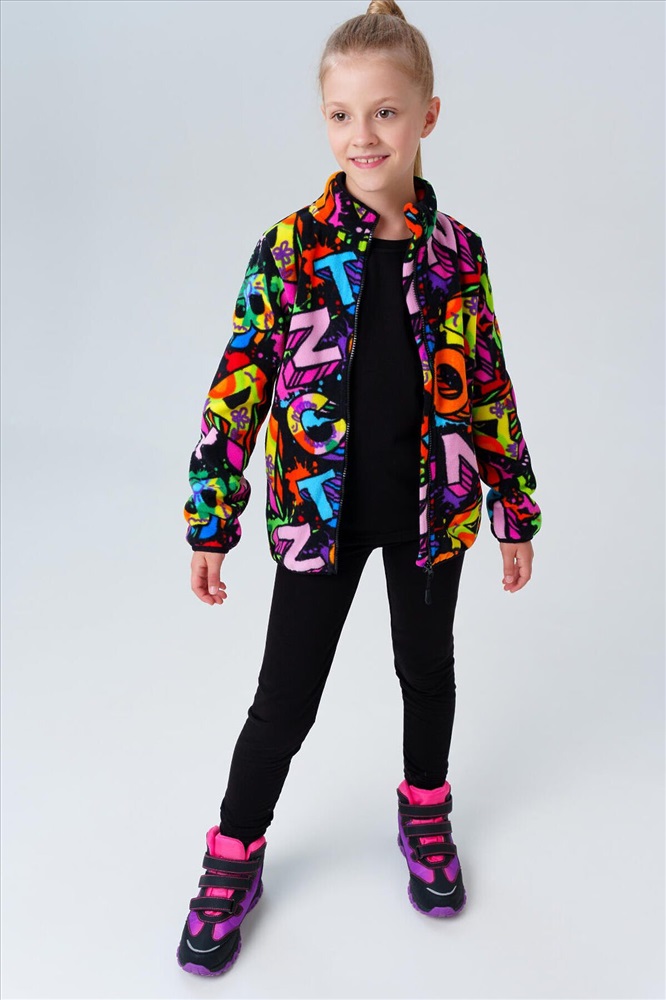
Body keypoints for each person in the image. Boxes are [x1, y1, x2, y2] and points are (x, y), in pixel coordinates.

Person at [176, 0, 542, 978]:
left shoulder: (459, 254)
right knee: (283, 701)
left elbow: (490, 385)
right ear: (324, 120)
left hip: (433, 511)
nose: (362, 135)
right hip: (318, 517)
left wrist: (513, 503)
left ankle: (425, 809)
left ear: (427, 116)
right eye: (342, 115)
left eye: (385, 112)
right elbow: (237, 387)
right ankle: (233, 852)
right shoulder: (291, 249)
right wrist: (212, 517)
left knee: (428, 671)